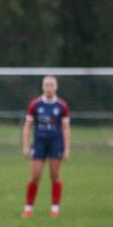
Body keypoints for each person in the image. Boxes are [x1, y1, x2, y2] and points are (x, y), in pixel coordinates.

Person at [22, 75, 70, 218]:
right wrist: (25, 146)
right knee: (35, 175)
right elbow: (27, 126)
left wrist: (67, 148)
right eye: (46, 85)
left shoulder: (62, 105)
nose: (49, 87)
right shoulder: (35, 104)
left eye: (51, 85)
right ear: (42, 87)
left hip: (56, 143)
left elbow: (66, 128)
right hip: (39, 144)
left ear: (56, 87)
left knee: (54, 175)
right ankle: (28, 208)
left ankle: (55, 208)